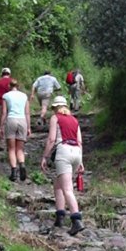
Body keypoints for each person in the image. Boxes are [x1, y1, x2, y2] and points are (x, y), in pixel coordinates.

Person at [40, 95, 85, 235]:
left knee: (67, 189)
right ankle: (60, 215)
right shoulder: (74, 120)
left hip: (63, 152)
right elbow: (79, 142)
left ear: (55, 108)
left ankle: (76, 219)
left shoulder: (55, 118)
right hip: (76, 153)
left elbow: (52, 139)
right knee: (58, 184)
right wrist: (81, 161)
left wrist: (45, 156)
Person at [0, 79, 31, 182]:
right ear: (18, 86)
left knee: (11, 149)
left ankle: (14, 171)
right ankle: (22, 164)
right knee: (20, 149)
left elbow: (4, 112)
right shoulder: (24, 96)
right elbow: (27, 113)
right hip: (22, 121)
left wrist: (1, 127)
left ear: (9, 86)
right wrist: (29, 127)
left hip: (11, 120)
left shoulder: (6, 96)